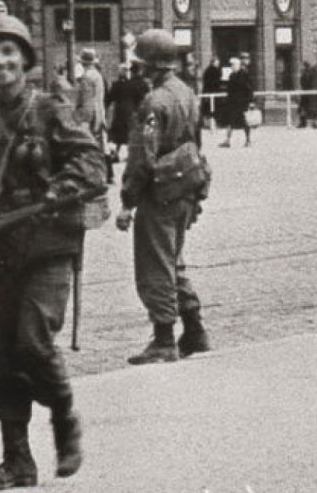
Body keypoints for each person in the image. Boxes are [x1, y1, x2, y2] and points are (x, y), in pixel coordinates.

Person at [0, 13, 107, 489]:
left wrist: (58, 189)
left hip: (45, 249)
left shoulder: (51, 111)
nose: (1, 61)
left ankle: (64, 414)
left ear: (25, 59)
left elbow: (93, 162)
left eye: (9, 52)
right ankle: (17, 460)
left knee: (32, 340)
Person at [120, 28, 211, 365]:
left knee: (155, 266)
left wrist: (128, 201)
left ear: (150, 65)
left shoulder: (154, 101)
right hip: (185, 188)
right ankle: (195, 329)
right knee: (173, 260)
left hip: (159, 194)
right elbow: (196, 143)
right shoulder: (187, 93)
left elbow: (142, 157)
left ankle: (164, 340)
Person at [105, 54, 150, 162]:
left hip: (120, 113)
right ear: (140, 71)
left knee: (118, 136)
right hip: (133, 113)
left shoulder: (125, 84)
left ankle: (114, 154)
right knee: (132, 136)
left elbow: (110, 98)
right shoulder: (143, 84)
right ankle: (134, 156)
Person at [72, 48, 108, 146]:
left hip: (87, 113)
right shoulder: (98, 75)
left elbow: (82, 97)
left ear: (83, 63)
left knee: (86, 141)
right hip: (97, 111)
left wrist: (77, 112)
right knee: (97, 141)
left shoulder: (85, 77)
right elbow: (99, 97)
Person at [222, 56, 257, 147]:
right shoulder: (231, 75)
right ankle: (227, 140)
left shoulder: (244, 75)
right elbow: (229, 90)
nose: (232, 67)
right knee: (230, 121)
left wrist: (251, 101)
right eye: (231, 65)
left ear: (238, 65)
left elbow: (249, 89)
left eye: (233, 65)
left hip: (242, 103)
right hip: (233, 103)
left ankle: (248, 140)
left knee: (245, 122)